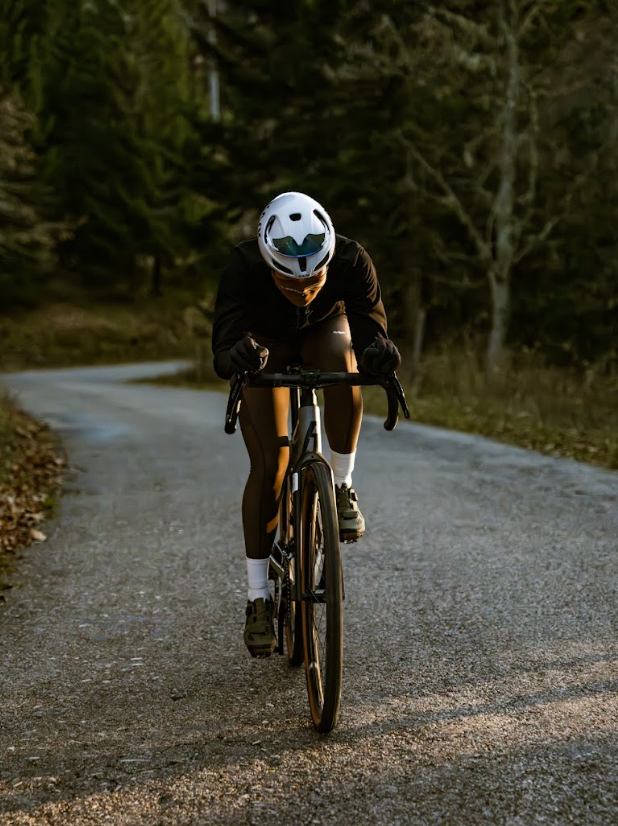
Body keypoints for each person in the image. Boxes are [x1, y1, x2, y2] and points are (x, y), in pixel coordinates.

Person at [212, 192, 401, 657]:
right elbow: (222, 352)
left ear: (329, 256)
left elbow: (373, 332)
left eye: (315, 277)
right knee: (272, 466)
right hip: (266, 342)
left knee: (344, 359)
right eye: (288, 281)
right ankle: (258, 598)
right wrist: (236, 355)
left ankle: (341, 483)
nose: (303, 289)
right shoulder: (242, 266)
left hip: (324, 332)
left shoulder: (352, 260)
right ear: (267, 260)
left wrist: (380, 354)